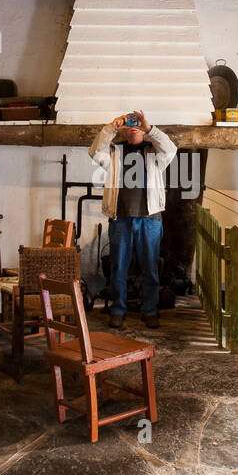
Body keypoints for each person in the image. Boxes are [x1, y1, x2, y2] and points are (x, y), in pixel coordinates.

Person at [90, 109, 177, 329]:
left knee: (150, 267)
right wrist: (111, 127)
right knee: (118, 267)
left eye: (138, 124)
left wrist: (150, 128)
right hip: (121, 219)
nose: (134, 128)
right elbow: (94, 151)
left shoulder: (154, 154)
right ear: (125, 130)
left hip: (150, 219)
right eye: (130, 124)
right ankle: (118, 310)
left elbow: (171, 149)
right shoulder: (114, 153)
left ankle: (150, 310)